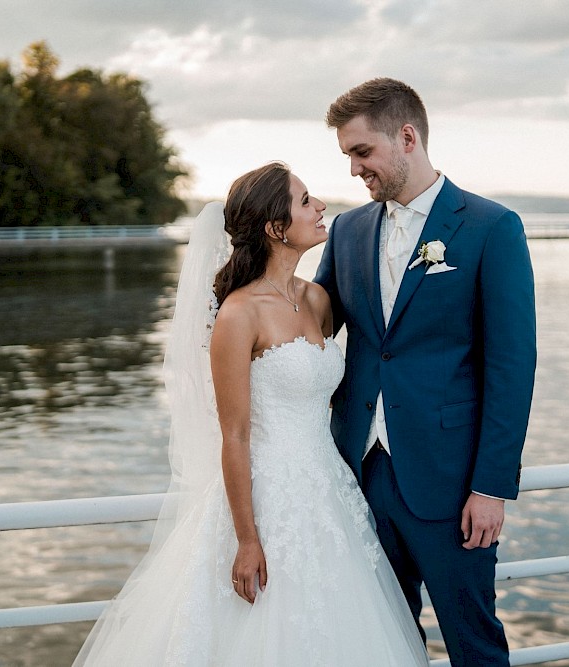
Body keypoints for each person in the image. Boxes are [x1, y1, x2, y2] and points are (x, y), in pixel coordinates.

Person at [73, 162, 429, 666]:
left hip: (329, 492)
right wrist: (246, 539)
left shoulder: (318, 299)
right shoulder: (239, 314)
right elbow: (235, 435)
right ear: (274, 228)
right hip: (266, 499)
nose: (321, 205)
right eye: (306, 200)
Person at [315, 78, 537, 665]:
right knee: (381, 642)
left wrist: (491, 486)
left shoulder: (492, 228)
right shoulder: (348, 230)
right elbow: (311, 325)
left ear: (407, 137)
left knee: (473, 643)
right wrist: (243, 307)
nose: (355, 170)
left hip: (453, 482)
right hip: (359, 473)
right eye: (348, 156)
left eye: (362, 152)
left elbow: (512, 367)